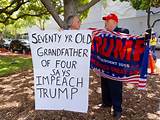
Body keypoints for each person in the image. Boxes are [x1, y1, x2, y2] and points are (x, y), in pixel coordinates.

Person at [99, 13, 129, 120]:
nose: (106, 23)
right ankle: (106, 103)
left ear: (115, 23)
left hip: (116, 67)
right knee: (105, 85)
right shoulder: (102, 33)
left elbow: (129, 39)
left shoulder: (122, 31)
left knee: (115, 88)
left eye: (108, 21)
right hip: (104, 65)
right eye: (106, 21)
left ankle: (117, 110)